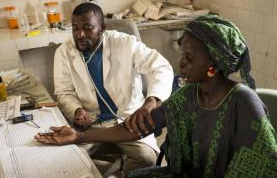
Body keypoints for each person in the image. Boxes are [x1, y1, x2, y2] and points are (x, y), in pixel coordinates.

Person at [36, 15, 277, 177]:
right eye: (182, 54)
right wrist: (78, 135)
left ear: (213, 65)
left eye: (189, 59)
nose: (180, 63)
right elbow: (136, 128)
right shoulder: (189, 96)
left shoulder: (243, 102)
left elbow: (262, 164)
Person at [52, 2, 174, 175]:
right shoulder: (64, 52)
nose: (79, 34)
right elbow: (64, 92)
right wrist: (76, 110)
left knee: (147, 159)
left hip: (127, 121)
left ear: (102, 28)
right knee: (63, 163)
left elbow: (161, 67)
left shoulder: (125, 44)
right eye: (75, 28)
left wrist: (151, 101)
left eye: (87, 28)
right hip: (90, 126)